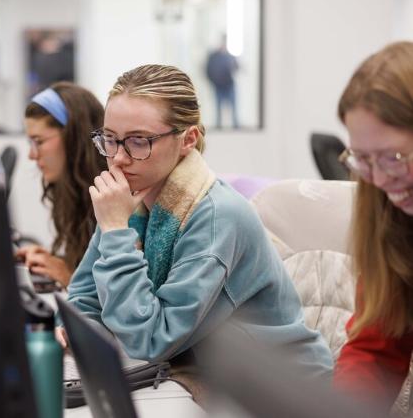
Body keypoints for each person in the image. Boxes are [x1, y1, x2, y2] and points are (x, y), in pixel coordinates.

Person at [59, 64, 333, 395]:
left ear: (188, 139)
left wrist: (117, 233)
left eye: (138, 142)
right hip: (204, 375)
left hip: (284, 394)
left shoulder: (217, 216)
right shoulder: (134, 197)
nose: (118, 159)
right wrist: (78, 333)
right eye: (110, 140)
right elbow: (84, 299)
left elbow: (151, 339)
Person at [333, 41, 413, 413]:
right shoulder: (392, 219)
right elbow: (375, 350)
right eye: (363, 160)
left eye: (394, 158)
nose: (380, 179)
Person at [16, 82, 106, 288]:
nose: (32, 155)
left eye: (38, 141)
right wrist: (56, 261)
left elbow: (116, 294)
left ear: (73, 138)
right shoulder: (75, 192)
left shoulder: (112, 199)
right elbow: (91, 263)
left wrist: (70, 277)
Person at [206, 35, 239, 129]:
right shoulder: (213, 56)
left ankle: (236, 127)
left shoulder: (230, 56)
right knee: (218, 110)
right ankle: (218, 127)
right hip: (218, 87)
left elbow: (236, 67)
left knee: (234, 109)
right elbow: (208, 70)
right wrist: (213, 82)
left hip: (229, 86)